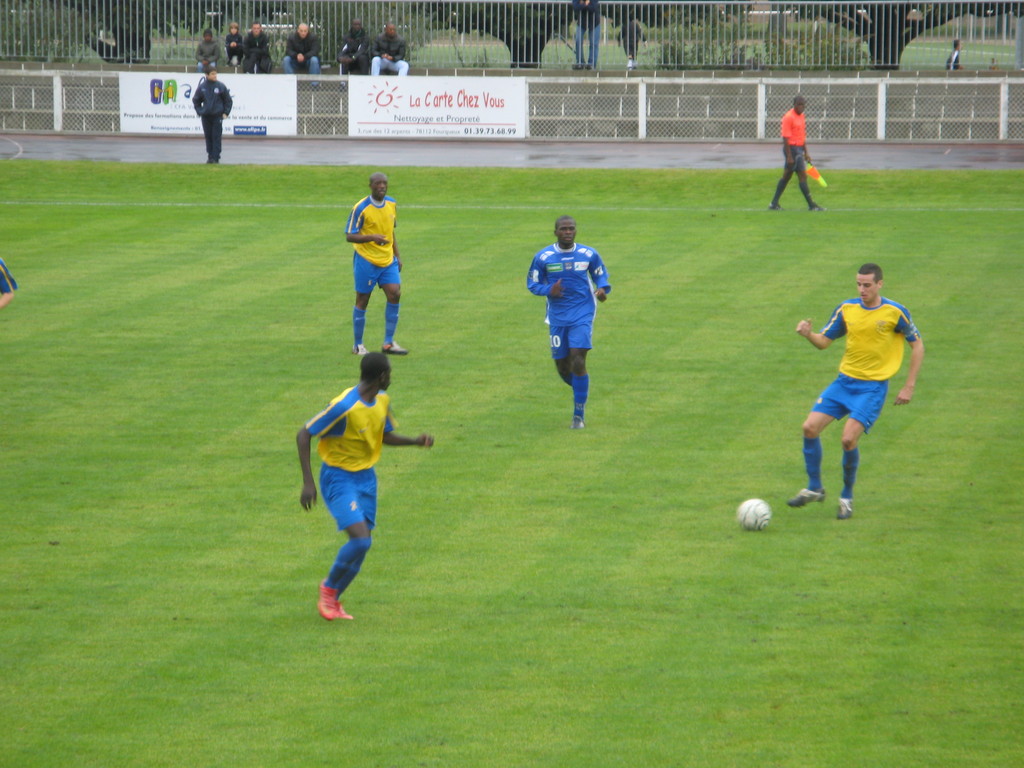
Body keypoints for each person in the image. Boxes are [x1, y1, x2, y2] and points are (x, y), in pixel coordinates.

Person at [297, 352, 434, 621]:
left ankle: (334, 601)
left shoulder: (381, 401)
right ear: (381, 376)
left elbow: (384, 436)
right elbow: (304, 434)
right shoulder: (344, 406)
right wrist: (308, 483)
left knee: (364, 543)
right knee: (359, 539)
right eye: (390, 374)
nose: (391, 378)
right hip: (338, 477)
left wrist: (415, 442)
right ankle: (328, 590)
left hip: (366, 478)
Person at [788, 263, 924, 520]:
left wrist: (909, 386)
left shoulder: (896, 312)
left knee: (848, 439)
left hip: (872, 388)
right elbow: (824, 342)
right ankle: (815, 487)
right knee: (809, 428)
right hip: (844, 382)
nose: (862, 289)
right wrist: (808, 334)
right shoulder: (847, 309)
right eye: (859, 284)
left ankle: (846, 497)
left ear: (880, 284)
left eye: (867, 285)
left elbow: (917, 346)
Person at [526, 216, 611, 429]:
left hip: (583, 312)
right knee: (563, 368)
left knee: (578, 359)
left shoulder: (588, 254)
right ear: (555, 232)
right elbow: (532, 283)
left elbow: (600, 275)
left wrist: (602, 290)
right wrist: (549, 290)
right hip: (557, 316)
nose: (567, 232)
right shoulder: (543, 257)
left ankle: (578, 415)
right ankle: (581, 390)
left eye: (571, 229)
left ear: (576, 231)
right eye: (563, 229)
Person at [345, 172, 408, 356]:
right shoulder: (361, 208)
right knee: (363, 300)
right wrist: (371, 237)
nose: (382, 186)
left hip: (387, 260)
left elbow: (390, 232)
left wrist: (397, 255)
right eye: (378, 183)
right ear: (370, 185)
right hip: (366, 260)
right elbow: (350, 235)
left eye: (384, 183)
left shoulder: (391, 204)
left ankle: (388, 343)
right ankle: (358, 345)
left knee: (395, 294)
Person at [768, 95, 825, 212]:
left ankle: (774, 204)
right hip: (792, 149)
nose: (801, 107)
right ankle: (811, 205)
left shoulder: (802, 117)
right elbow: (785, 138)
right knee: (802, 176)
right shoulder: (788, 117)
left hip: (799, 149)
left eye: (803, 104)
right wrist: (789, 156)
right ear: (794, 105)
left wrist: (806, 153)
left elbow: (802, 136)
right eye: (799, 104)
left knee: (786, 176)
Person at [191, 68, 232, 164]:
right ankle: (210, 156)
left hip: (217, 116)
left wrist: (226, 112)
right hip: (206, 116)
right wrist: (200, 111)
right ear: (207, 75)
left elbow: (228, 101)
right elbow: (196, 100)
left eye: (215, 74)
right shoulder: (202, 87)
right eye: (212, 74)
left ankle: (216, 157)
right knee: (208, 136)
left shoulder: (221, 86)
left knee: (216, 136)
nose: (215, 76)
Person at [572, 0, 601, 70]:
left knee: (593, 43)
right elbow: (575, 7)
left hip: (594, 22)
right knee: (578, 41)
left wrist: (582, 4)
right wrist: (586, 4)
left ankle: (591, 64)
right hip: (581, 22)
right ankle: (580, 62)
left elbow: (593, 8)